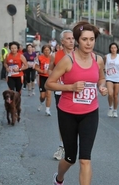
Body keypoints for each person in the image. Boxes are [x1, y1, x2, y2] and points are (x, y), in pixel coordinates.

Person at [45, 21, 108, 185]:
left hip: (90, 112)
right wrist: (71, 88)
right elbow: (49, 83)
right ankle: (59, 179)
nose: (88, 43)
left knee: (85, 158)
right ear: (77, 41)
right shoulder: (67, 61)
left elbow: (101, 78)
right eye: (84, 40)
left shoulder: (98, 60)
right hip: (68, 112)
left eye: (92, 40)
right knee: (70, 157)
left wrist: (102, 87)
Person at [49, 29, 75, 161]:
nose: (71, 41)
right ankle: (62, 146)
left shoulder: (80, 55)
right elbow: (49, 70)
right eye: (68, 38)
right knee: (64, 121)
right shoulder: (55, 56)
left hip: (77, 92)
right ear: (62, 41)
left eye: (72, 38)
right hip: (60, 91)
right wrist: (54, 77)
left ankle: (72, 146)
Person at [104, 42, 119, 117]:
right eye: (112, 48)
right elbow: (103, 65)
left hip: (117, 78)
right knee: (110, 94)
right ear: (110, 49)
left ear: (117, 49)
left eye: (115, 48)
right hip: (109, 77)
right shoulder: (107, 57)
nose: (113, 49)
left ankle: (115, 110)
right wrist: (104, 68)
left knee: (115, 95)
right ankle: (110, 108)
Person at [34, 44, 53, 116]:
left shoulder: (52, 58)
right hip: (42, 77)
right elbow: (36, 67)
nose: (46, 51)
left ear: (50, 51)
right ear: (42, 51)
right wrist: (42, 71)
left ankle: (47, 110)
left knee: (48, 94)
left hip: (50, 78)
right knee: (43, 96)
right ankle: (41, 102)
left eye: (48, 50)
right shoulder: (39, 58)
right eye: (45, 50)